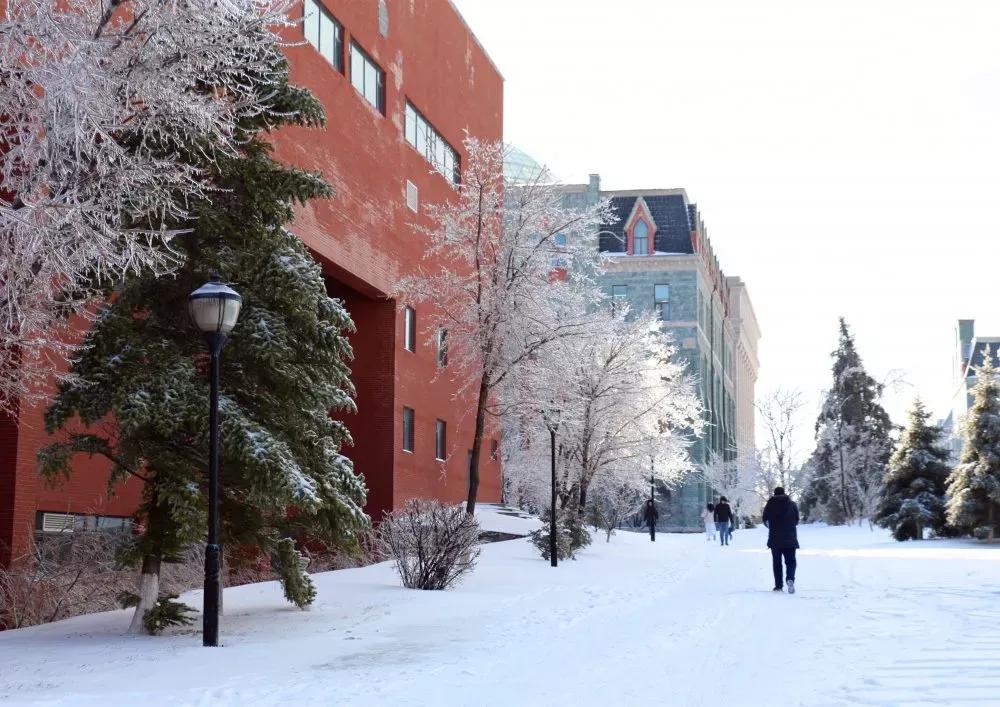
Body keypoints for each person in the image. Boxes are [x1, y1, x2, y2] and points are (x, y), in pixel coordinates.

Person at [762, 486, 799, 593]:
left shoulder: (769, 505)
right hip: (790, 538)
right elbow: (796, 520)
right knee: (791, 561)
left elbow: (765, 520)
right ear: (784, 493)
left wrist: (772, 527)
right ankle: (790, 579)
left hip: (775, 539)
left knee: (777, 563)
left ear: (774, 494)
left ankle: (778, 586)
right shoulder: (792, 505)